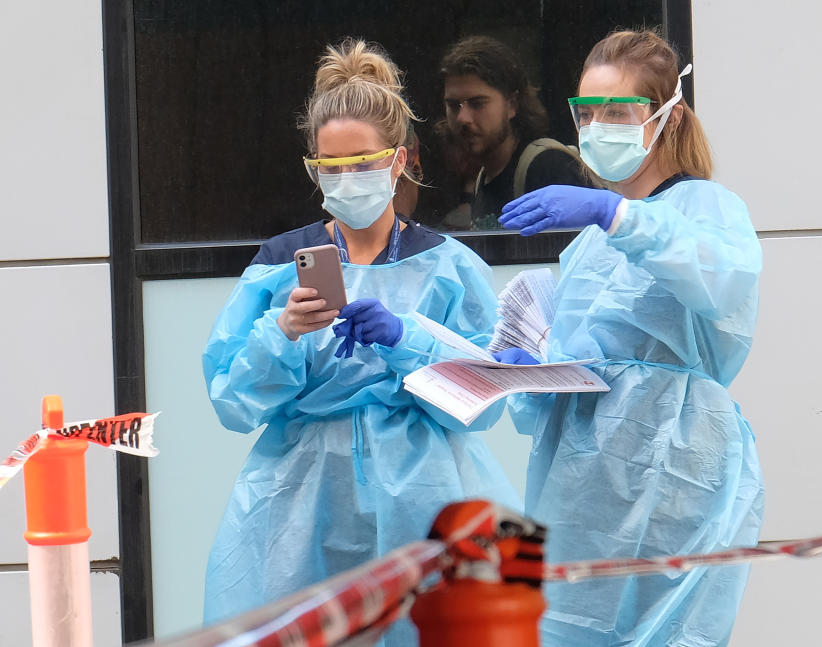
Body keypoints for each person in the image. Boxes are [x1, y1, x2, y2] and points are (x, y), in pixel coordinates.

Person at [201, 38, 519, 643]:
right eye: (331, 166)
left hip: (424, 492)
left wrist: (409, 341)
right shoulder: (278, 268)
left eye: (362, 163)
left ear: (398, 161)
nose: (346, 180)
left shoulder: (448, 266)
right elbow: (232, 398)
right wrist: (283, 333)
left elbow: (486, 397)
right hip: (302, 499)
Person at [496, 29, 764, 647]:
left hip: (676, 473)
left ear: (665, 117)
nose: (596, 129)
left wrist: (615, 214)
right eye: (585, 114)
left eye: (618, 112)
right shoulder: (589, 247)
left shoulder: (706, 209)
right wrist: (532, 374)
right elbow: (586, 365)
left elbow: (721, 281)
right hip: (583, 491)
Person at [439, 35, 589, 230]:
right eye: (453, 105)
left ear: (512, 105)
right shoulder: (482, 178)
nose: (463, 118)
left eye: (477, 104)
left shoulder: (547, 167)